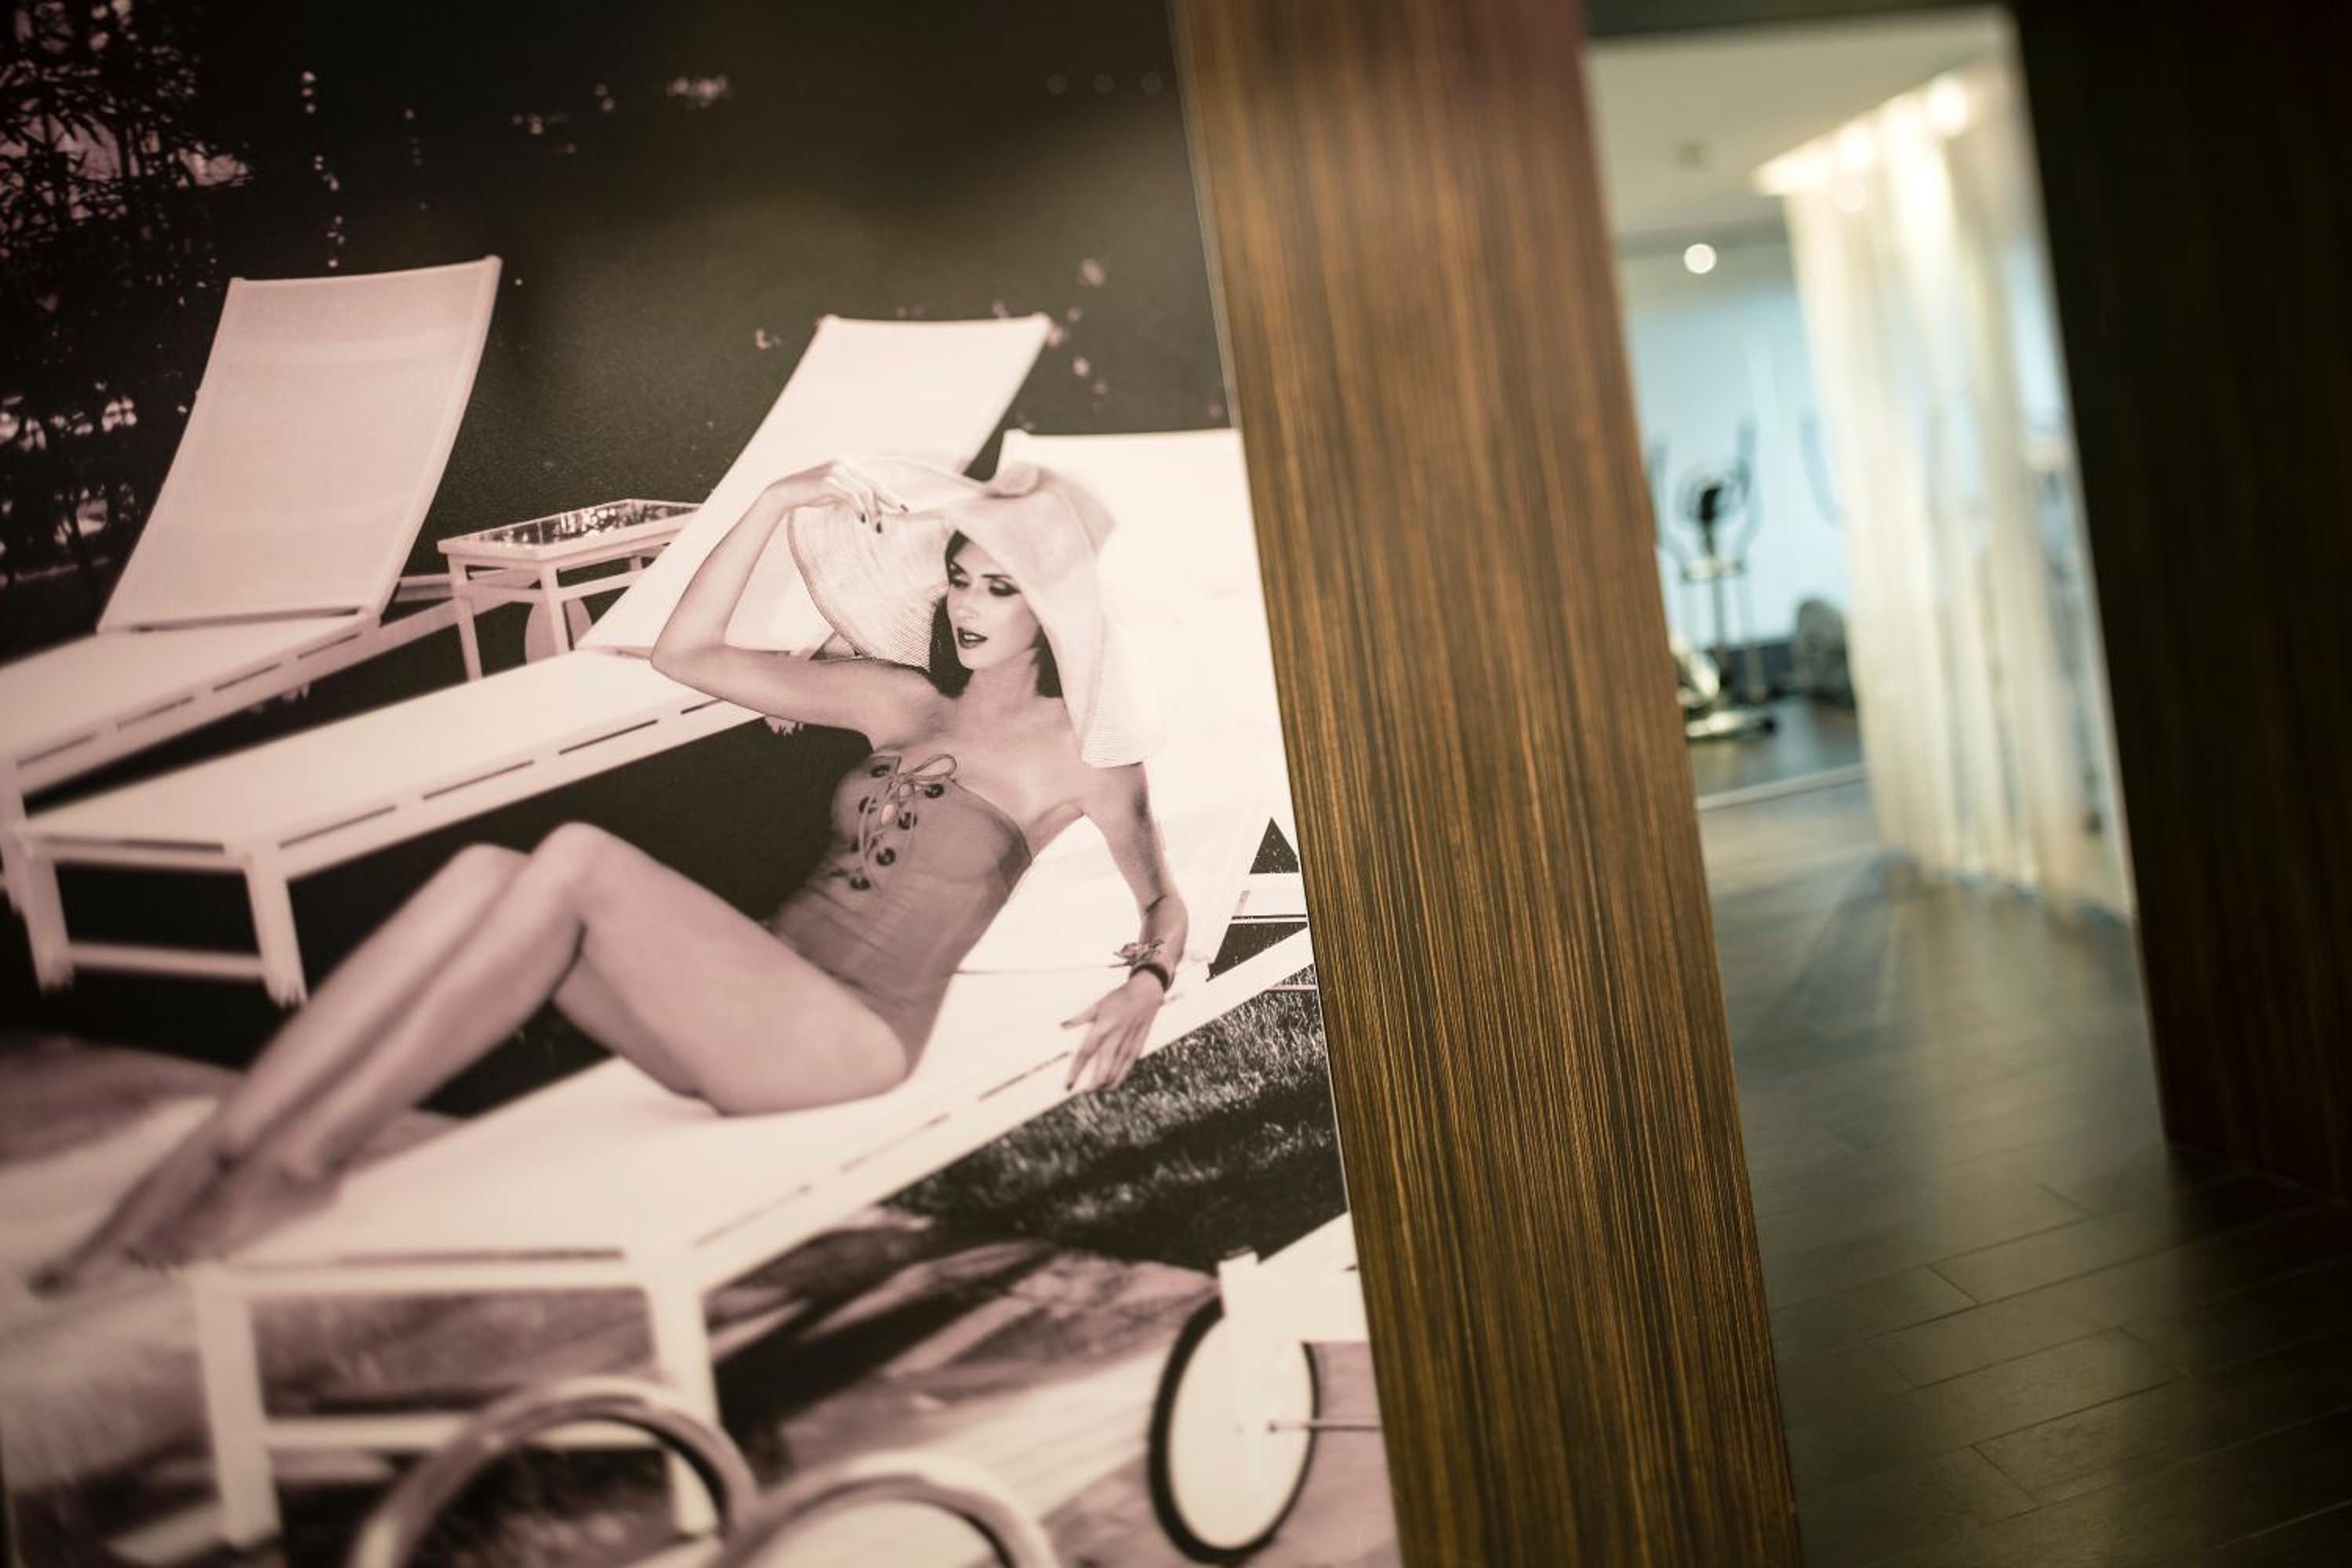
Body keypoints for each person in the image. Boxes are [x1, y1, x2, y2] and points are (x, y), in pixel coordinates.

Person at [34, 457, 1184, 1296]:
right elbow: (686, 653)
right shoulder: (900, 700)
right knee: (486, 869)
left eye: (1002, 588)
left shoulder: (1082, 754)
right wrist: (775, 501)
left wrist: (1147, 979)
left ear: (1053, 609)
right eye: (963, 580)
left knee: (577, 859)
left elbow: (1160, 899)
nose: (970, 607)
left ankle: (305, 1157)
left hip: (850, 1040)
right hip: (750, 1004)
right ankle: (217, 1151)